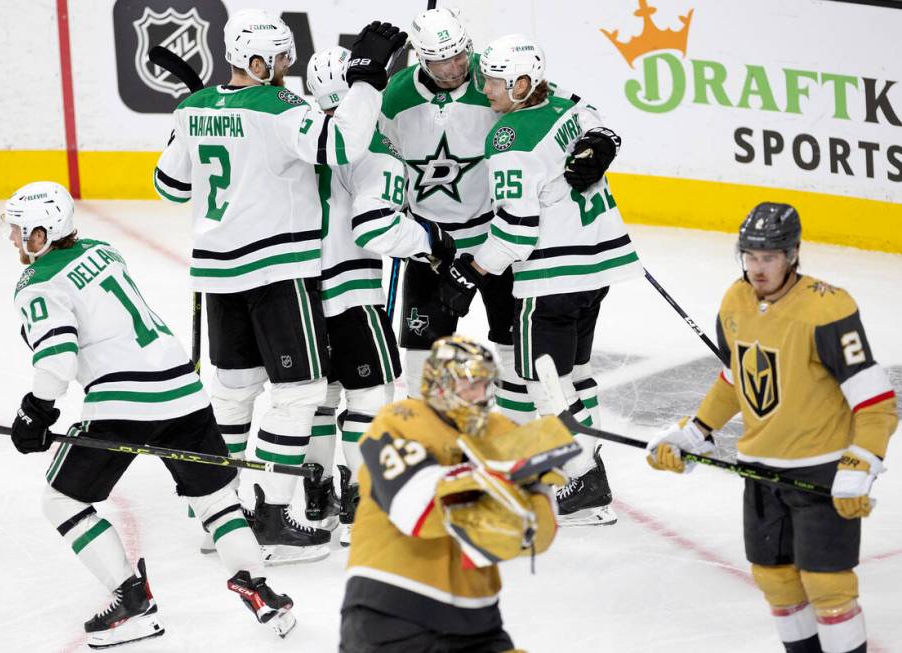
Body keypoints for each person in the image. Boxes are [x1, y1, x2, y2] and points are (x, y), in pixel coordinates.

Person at [153, 10, 408, 559]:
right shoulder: (282, 108)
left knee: (233, 393)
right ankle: (270, 520)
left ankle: (218, 518)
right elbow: (343, 144)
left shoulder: (195, 108)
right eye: (281, 58)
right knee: (300, 394)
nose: (287, 68)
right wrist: (364, 77)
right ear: (258, 59)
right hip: (277, 274)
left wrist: (187, 124)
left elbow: (169, 185)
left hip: (217, 275)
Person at [3, 182, 297, 646]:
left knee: (60, 500)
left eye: (23, 231)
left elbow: (57, 355)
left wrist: (35, 410)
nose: (16, 240)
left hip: (124, 402)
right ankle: (259, 590)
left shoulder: (37, 283)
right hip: (184, 389)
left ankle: (132, 601)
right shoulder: (103, 250)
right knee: (217, 499)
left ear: (45, 230)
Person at [646, 202, 897, 653]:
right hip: (760, 471)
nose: (757, 268)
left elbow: (877, 400)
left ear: (793, 254)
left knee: (829, 588)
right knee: (777, 582)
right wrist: (694, 431)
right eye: (750, 256)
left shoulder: (828, 309)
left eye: (769, 257)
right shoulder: (735, 300)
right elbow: (736, 379)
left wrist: (862, 460)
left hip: (819, 473)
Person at [438, 34, 640, 526]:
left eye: (494, 82)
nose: (485, 89)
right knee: (573, 374)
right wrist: (605, 140)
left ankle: (583, 475)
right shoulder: (567, 108)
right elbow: (595, 121)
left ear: (523, 83)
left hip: (550, 277)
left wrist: (471, 271)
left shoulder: (508, 138)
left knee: (541, 380)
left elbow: (516, 231)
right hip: (596, 269)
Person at [379, 8, 599, 428]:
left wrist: (600, 138)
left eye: (461, 53)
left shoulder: (496, 76)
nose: (457, 66)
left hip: (496, 240)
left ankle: (514, 437)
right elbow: (376, 154)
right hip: (431, 246)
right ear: (422, 59)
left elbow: (564, 107)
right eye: (442, 60)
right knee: (423, 353)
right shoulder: (394, 96)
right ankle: (431, 444)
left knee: (514, 346)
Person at [301, 47, 455, 545]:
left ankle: (314, 495)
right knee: (369, 397)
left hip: (296, 295)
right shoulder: (376, 149)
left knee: (319, 398)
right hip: (349, 293)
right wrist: (431, 240)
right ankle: (360, 502)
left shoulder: (299, 139)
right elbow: (375, 230)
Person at [340, 335, 570, 652]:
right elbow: (415, 510)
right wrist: (499, 471)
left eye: (485, 383)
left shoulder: (499, 430)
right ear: (438, 383)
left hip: (477, 619)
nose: (479, 394)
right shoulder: (399, 419)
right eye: (468, 383)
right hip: (391, 610)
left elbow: (539, 534)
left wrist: (539, 478)